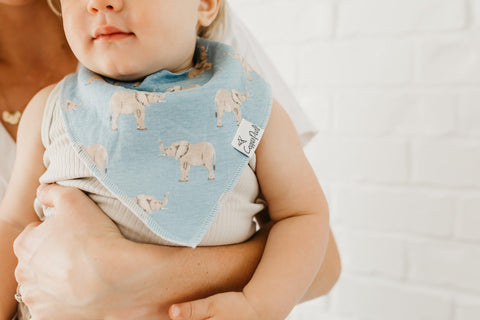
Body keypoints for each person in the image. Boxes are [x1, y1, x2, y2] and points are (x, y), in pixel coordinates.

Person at [0, 0, 341, 319]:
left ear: (205, 3)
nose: (102, 2)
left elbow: (301, 216)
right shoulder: (48, 112)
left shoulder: (253, 113)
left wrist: (258, 306)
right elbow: (12, 226)